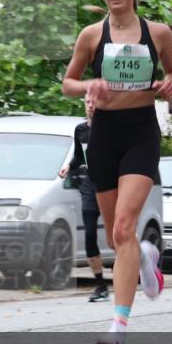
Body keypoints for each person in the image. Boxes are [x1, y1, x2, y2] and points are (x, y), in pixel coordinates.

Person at [62, 0, 172, 344]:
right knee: (120, 235)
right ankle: (146, 257)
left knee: (124, 227)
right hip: (103, 137)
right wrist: (89, 86)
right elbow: (68, 83)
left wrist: (169, 86)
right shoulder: (91, 36)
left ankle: (118, 328)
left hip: (140, 134)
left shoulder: (159, 33)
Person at [58, 95, 110, 302]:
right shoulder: (80, 130)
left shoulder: (109, 128)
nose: (90, 105)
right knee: (89, 234)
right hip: (90, 184)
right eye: (87, 102)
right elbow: (80, 155)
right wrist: (68, 166)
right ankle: (100, 286)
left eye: (94, 102)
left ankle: (139, 263)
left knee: (118, 234)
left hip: (110, 183)